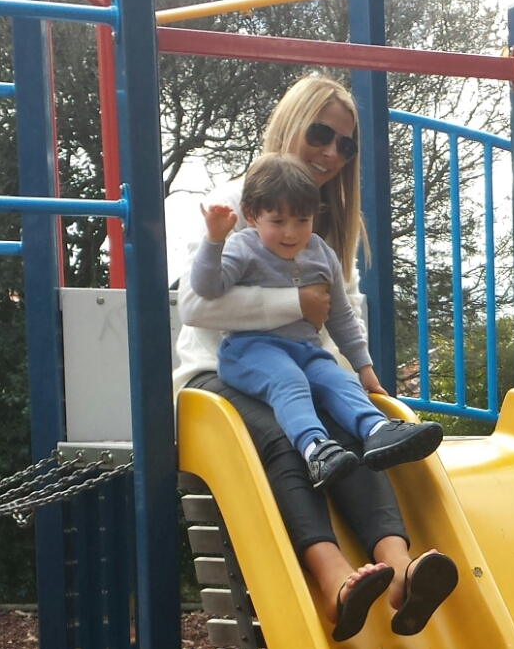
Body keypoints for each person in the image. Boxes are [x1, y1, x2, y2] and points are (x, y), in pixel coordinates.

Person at [173, 75, 457, 642]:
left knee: (351, 438)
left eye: (345, 145)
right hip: (221, 370)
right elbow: (195, 305)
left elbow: (341, 315)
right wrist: (294, 302)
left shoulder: (328, 226)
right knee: (285, 436)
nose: (331, 152)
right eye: (320, 134)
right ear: (290, 125)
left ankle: (400, 571)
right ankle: (334, 581)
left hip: (300, 364)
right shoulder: (237, 205)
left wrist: (359, 379)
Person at [188, 153, 442, 489]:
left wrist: (364, 367)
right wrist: (214, 240)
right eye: (278, 221)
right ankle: (315, 449)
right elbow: (207, 288)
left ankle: (377, 430)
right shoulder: (243, 247)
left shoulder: (321, 253)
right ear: (251, 216)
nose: (291, 232)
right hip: (249, 349)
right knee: (289, 380)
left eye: (301, 220)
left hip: (305, 349)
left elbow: (341, 315)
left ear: (314, 215)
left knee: (339, 380)